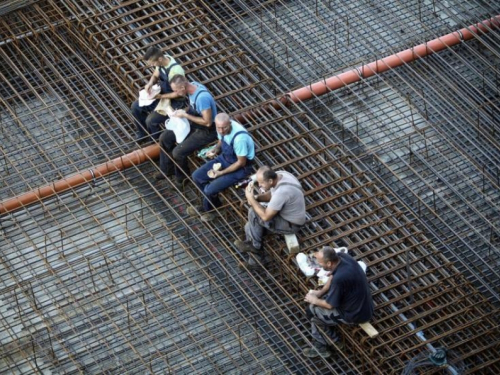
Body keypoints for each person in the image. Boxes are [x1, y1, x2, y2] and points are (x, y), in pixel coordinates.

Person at [303, 247, 374, 358]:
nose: (318, 264)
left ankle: (326, 345)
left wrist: (315, 300)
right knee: (317, 305)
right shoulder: (344, 257)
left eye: (320, 263)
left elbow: (330, 305)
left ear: (329, 263)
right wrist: (321, 292)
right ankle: (327, 339)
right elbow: (332, 275)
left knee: (312, 311)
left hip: (354, 314)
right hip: (364, 304)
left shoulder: (339, 280)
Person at [188, 113, 255, 222]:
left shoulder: (239, 139)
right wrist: (216, 149)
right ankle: (213, 204)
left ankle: (210, 209)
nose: (222, 130)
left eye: (224, 128)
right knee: (197, 176)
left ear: (230, 124)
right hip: (225, 158)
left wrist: (221, 173)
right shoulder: (221, 129)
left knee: (209, 190)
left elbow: (241, 163)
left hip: (240, 168)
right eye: (219, 128)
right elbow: (221, 141)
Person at [235, 166, 306, 268]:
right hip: (284, 214)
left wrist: (251, 198)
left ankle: (255, 247)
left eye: (262, 183)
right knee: (249, 226)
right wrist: (257, 198)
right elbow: (272, 195)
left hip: (290, 224)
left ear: (270, 180)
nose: (259, 185)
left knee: (253, 213)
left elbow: (265, 217)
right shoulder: (281, 174)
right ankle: (255, 261)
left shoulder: (282, 192)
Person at [155, 75, 218, 188]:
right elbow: (192, 107)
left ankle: (182, 179)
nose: (176, 93)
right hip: (195, 123)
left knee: (178, 152)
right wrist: (182, 112)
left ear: (183, 87)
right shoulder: (192, 86)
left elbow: (207, 122)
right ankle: (167, 170)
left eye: (176, 91)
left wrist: (185, 115)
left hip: (207, 131)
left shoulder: (202, 98)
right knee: (164, 137)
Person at [131, 47, 187, 142]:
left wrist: (160, 96)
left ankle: (154, 140)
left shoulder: (175, 71)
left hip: (175, 101)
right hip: (162, 95)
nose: (152, 65)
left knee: (151, 120)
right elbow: (155, 75)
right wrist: (150, 83)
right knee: (135, 107)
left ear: (160, 59)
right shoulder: (163, 60)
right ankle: (143, 133)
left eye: (153, 63)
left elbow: (179, 93)